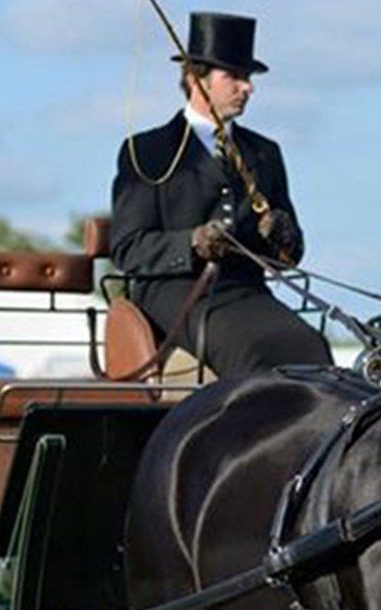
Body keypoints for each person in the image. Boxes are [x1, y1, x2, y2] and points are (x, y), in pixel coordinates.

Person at [109, 11, 331, 378]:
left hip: (247, 290)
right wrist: (191, 242)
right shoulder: (148, 151)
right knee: (250, 349)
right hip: (175, 293)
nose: (248, 87)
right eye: (236, 77)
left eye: (248, 78)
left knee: (310, 345)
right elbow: (128, 248)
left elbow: (289, 257)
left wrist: (283, 237)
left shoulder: (264, 153)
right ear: (197, 79)